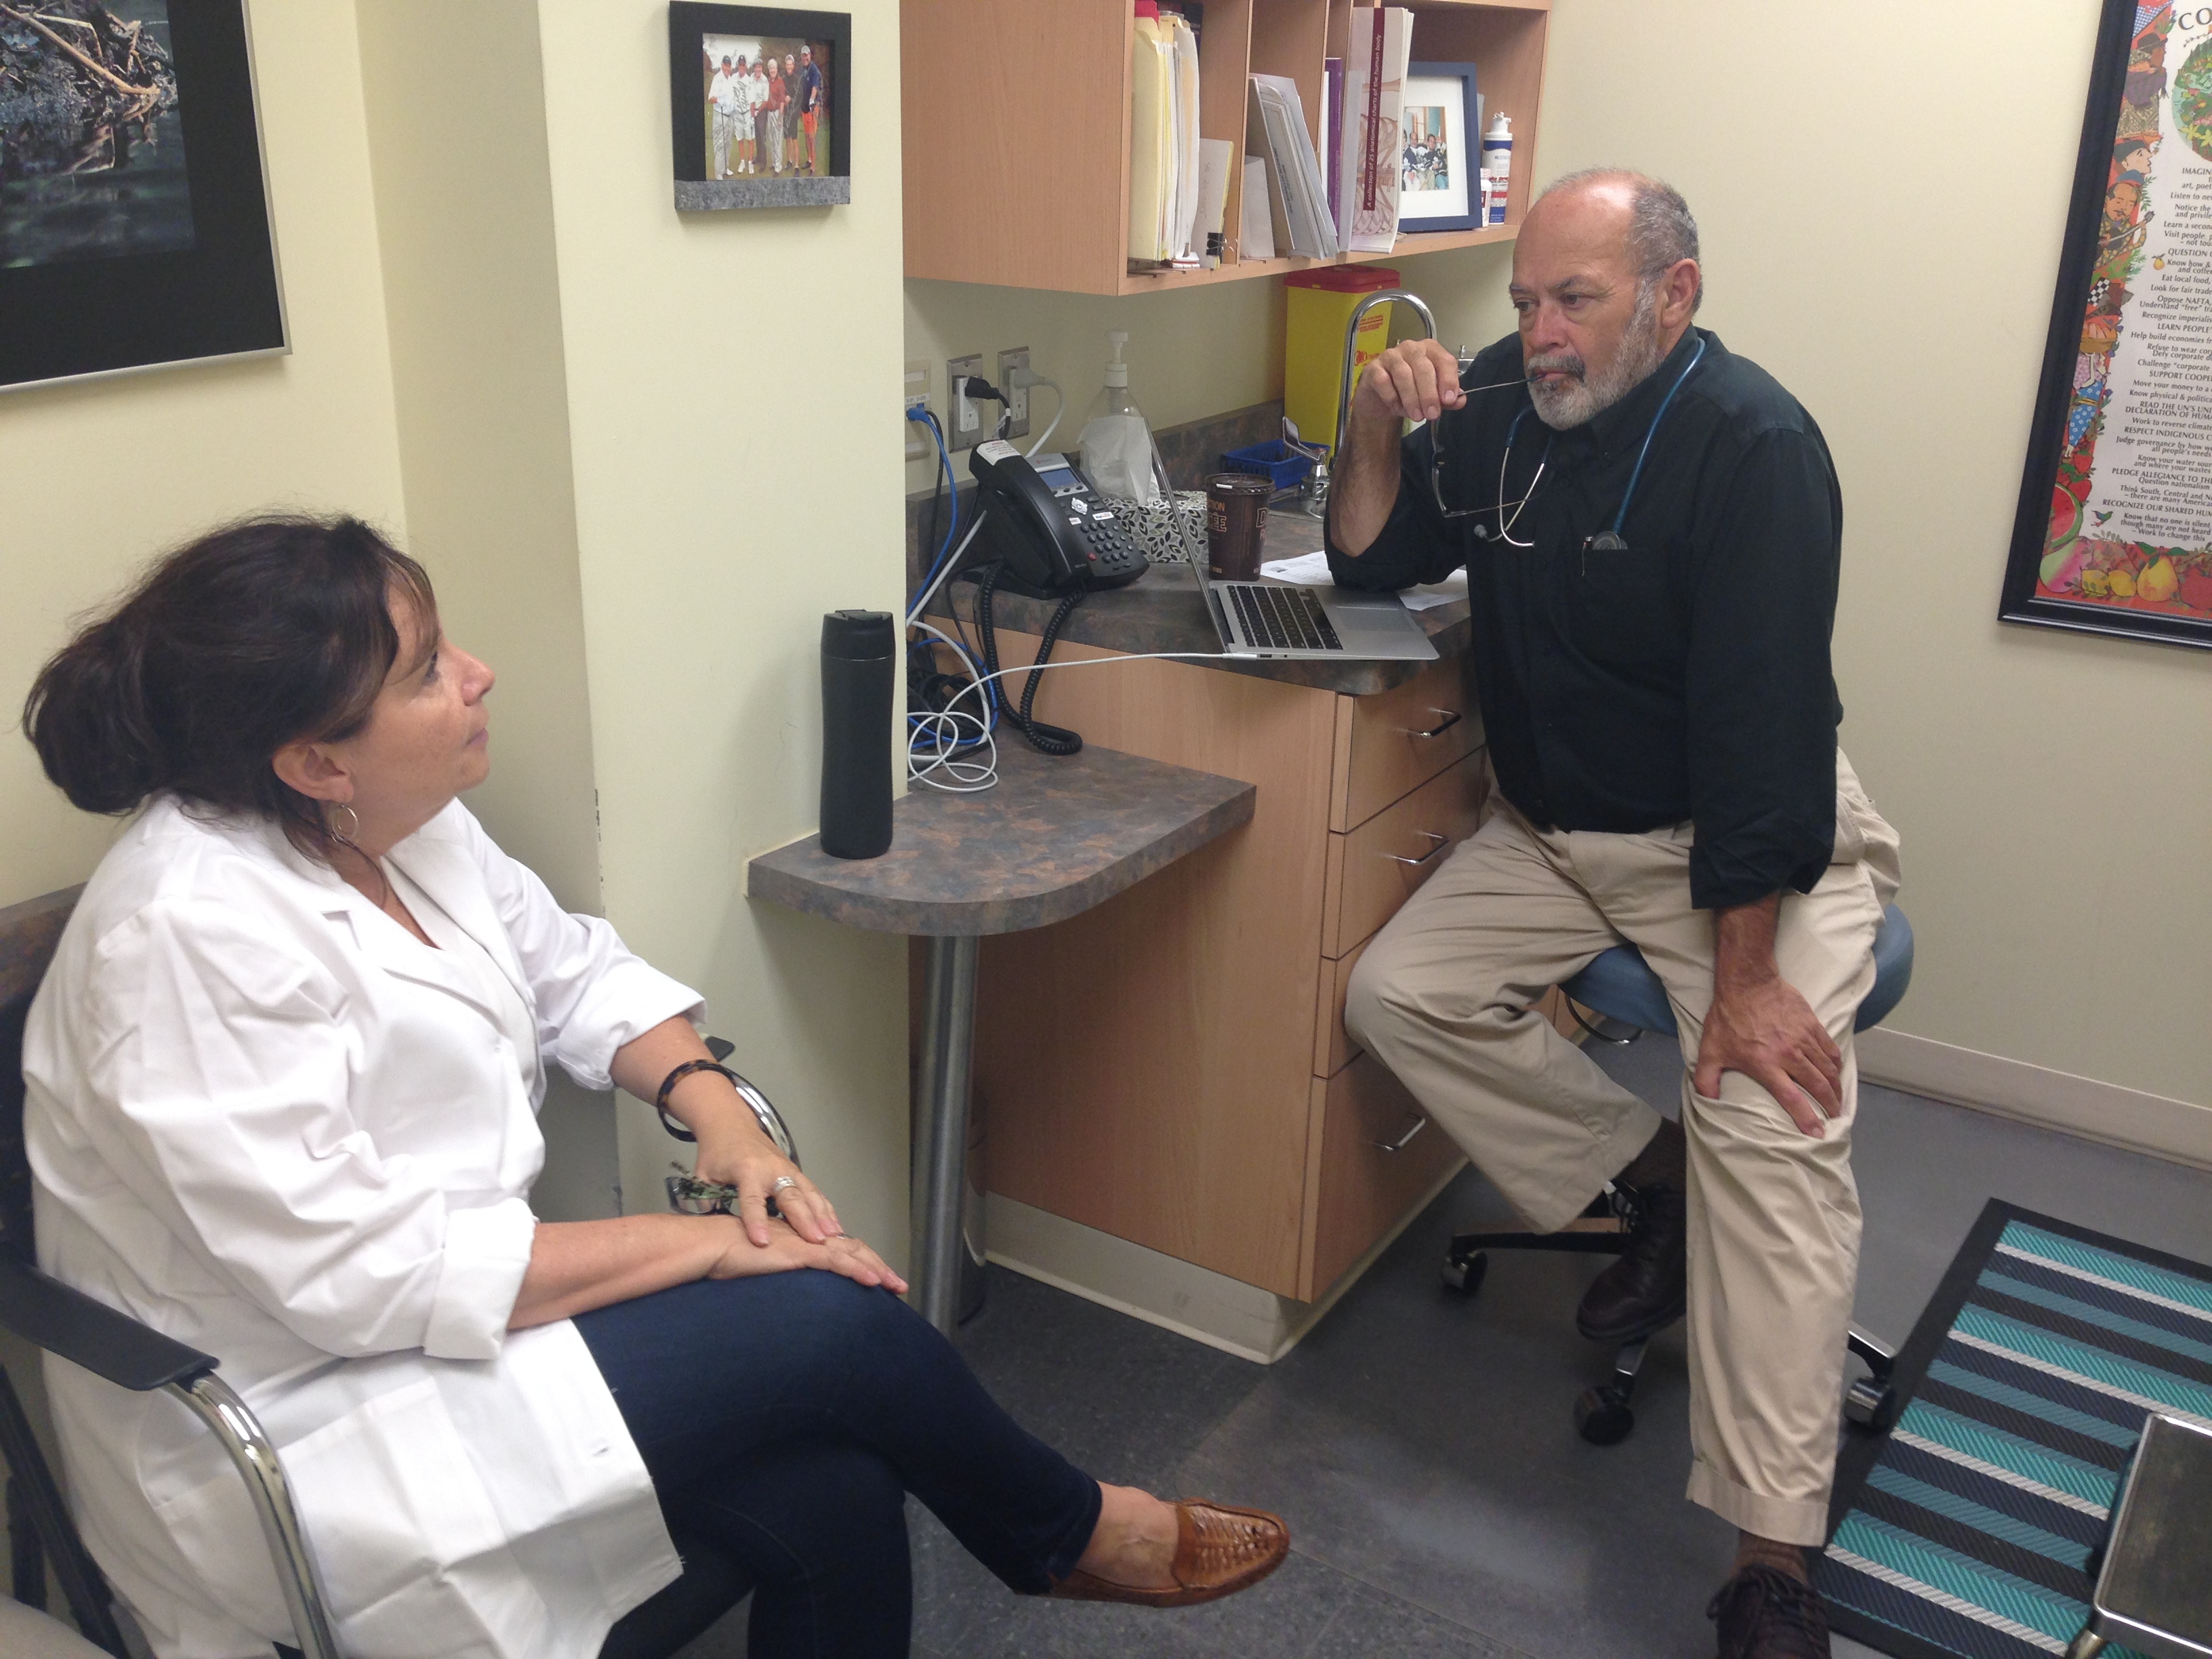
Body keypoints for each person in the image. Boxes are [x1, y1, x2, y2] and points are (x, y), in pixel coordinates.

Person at [19, 516, 1289, 1659]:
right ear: (315, 762)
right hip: (296, 1419)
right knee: (830, 1321)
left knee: (840, 1490)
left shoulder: (394, 824)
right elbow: (363, 1275)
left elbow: (572, 973)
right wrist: (706, 1248)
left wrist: (719, 1114)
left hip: (452, 1330)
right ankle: (1078, 1534)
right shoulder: (183, 938)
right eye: (427, 671)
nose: (478, 674)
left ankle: (1062, 1532)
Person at [1326, 169, 1900, 1659]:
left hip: (1740, 835)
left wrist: (1748, 980)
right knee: (1395, 993)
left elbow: (1765, 735)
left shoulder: (1753, 445)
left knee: (1769, 1120)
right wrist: (1372, 417)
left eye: (1573, 300)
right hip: (1553, 830)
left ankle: (1769, 1558)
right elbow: (1371, 555)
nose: (1541, 334)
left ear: (1672, 294)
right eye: (1526, 300)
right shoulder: (1502, 403)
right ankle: (1647, 1180)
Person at [708, 52, 744, 179]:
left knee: (728, 144)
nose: (728, 68)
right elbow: (711, 98)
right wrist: (719, 100)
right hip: (720, 116)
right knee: (720, 145)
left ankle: (725, 169)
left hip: (730, 116)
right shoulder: (717, 78)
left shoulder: (730, 79)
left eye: (729, 66)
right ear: (722, 65)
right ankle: (718, 174)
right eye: (726, 65)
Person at [796, 43, 823, 173]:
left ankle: (813, 166)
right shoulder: (802, 70)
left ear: (810, 55)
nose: (805, 58)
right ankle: (809, 159)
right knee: (807, 135)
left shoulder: (814, 69)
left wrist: (812, 100)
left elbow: (815, 87)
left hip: (813, 107)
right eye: (803, 56)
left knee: (812, 136)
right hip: (804, 108)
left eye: (807, 55)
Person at [760, 53, 785, 177]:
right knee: (771, 139)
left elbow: (782, 101)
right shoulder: (768, 81)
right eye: (770, 68)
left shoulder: (780, 81)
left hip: (777, 113)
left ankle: (778, 167)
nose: (772, 70)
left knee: (778, 140)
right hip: (769, 113)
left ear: (777, 69)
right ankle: (774, 163)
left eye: (774, 68)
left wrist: (780, 117)